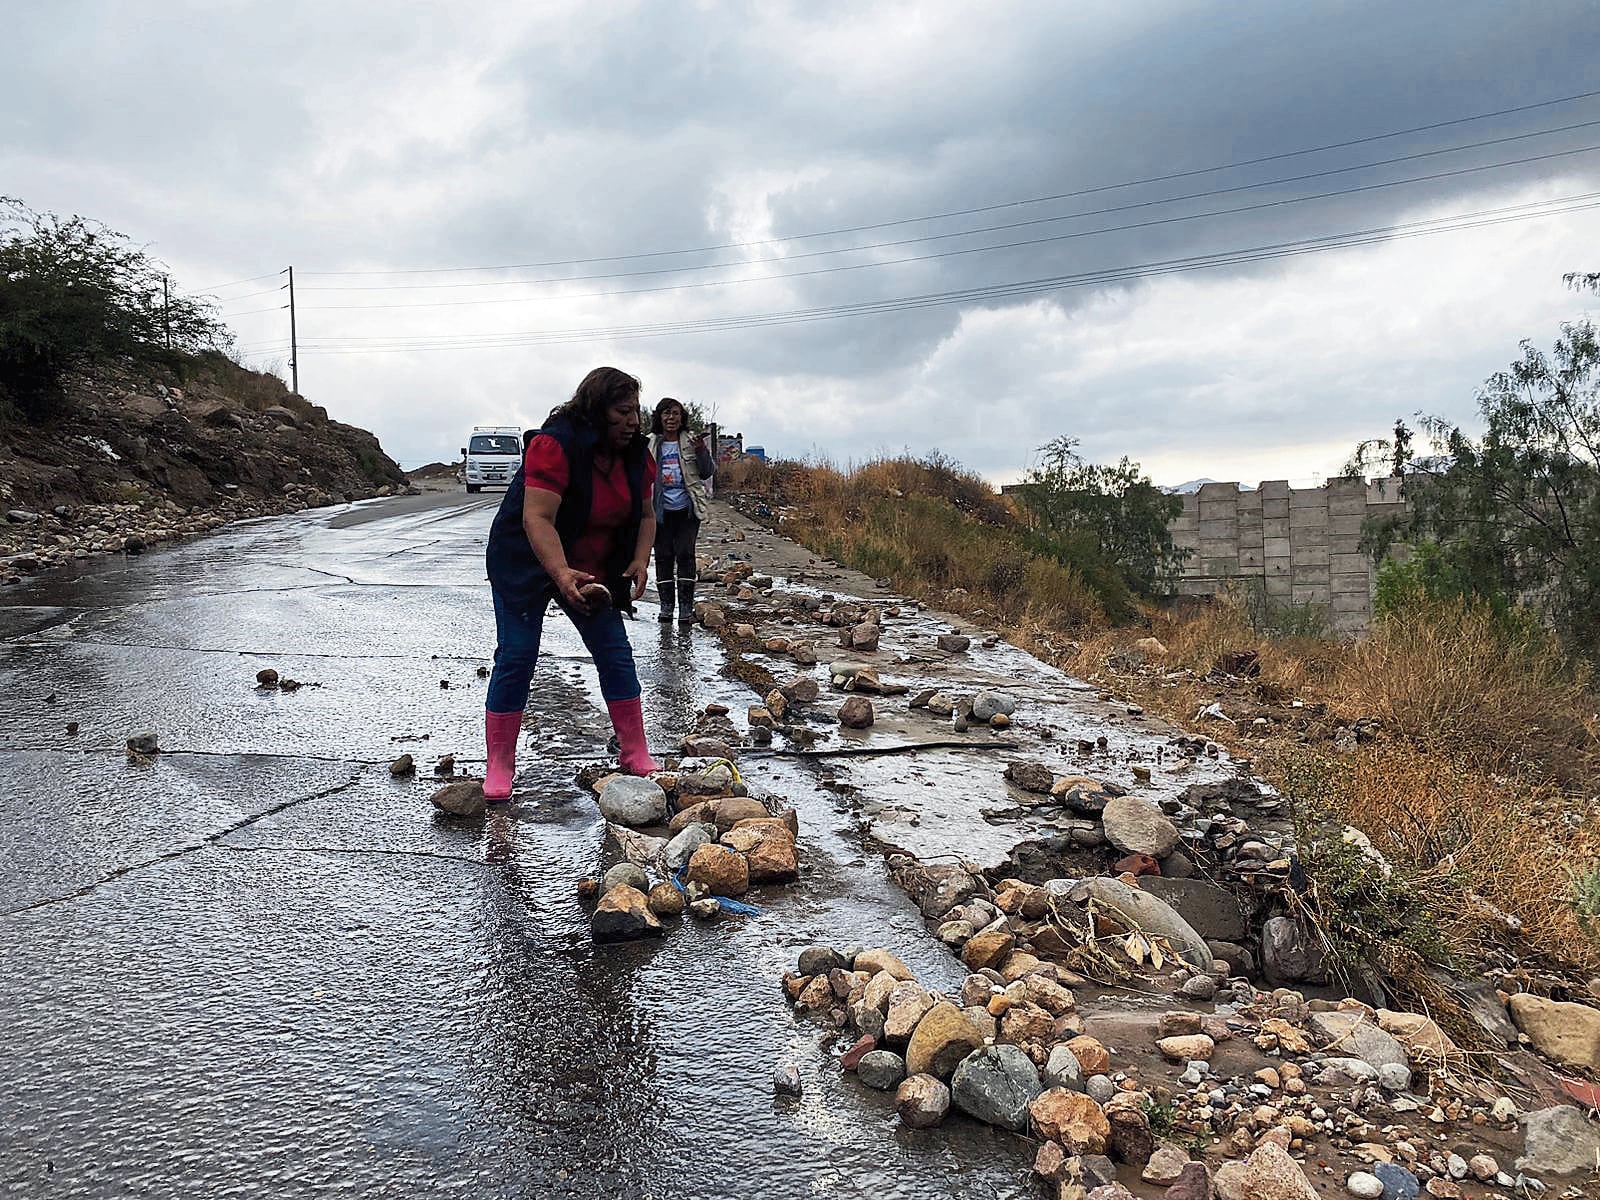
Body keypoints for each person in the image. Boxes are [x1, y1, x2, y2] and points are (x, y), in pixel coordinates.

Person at [481, 366, 660, 801]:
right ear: (597, 411)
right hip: (524, 560)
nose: (634, 421)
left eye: (637, 411)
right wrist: (560, 575)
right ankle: (500, 762)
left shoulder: (637, 455)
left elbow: (648, 515)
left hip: (589, 564)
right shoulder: (554, 445)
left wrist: (639, 559)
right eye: (623, 411)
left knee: (614, 651)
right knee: (518, 654)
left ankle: (635, 750)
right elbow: (536, 518)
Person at [648, 397, 715, 623]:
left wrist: (701, 451)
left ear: (682, 417)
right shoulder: (649, 444)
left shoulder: (691, 441)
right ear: (659, 417)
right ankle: (666, 607)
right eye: (666, 414)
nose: (671, 418)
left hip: (687, 509)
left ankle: (686, 609)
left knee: (686, 554)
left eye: (675, 413)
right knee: (664, 556)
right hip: (659, 510)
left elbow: (706, 472)